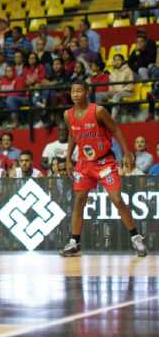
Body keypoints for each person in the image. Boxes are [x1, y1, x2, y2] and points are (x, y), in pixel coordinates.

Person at [60, 80, 146, 257]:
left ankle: (136, 237)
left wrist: (127, 152)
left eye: (79, 91)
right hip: (84, 163)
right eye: (73, 91)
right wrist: (68, 158)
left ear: (86, 92)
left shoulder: (98, 111)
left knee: (116, 199)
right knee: (79, 200)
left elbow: (115, 130)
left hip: (104, 162)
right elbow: (72, 136)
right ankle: (74, 241)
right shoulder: (68, 115)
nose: (75, 94)